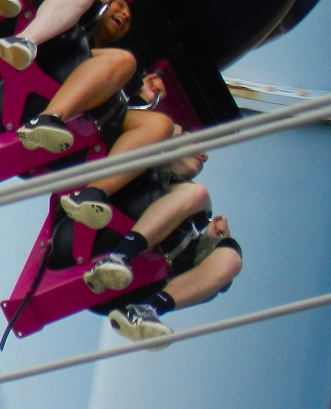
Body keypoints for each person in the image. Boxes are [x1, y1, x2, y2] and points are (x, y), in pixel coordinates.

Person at [11, 0, 174, 228]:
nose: (125, 15)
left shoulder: (117, 71)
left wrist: (139, 98)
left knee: (161, 125)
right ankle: (48, 119)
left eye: (128, 16)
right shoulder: (73, 25)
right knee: (124, 62)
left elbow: (113, 114)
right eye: (119, 5)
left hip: (70, 146)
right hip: (27, 99)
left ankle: (92, 194)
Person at [82, 146, 242, 345]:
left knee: (231, 258)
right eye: (195, 144)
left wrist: (214, 243)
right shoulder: (150, 167)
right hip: (105, 235)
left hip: (138, 289)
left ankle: (147, 310)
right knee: (196, 194)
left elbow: (219, 279)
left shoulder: (189, 207)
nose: (204, 155)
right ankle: (120, 256)